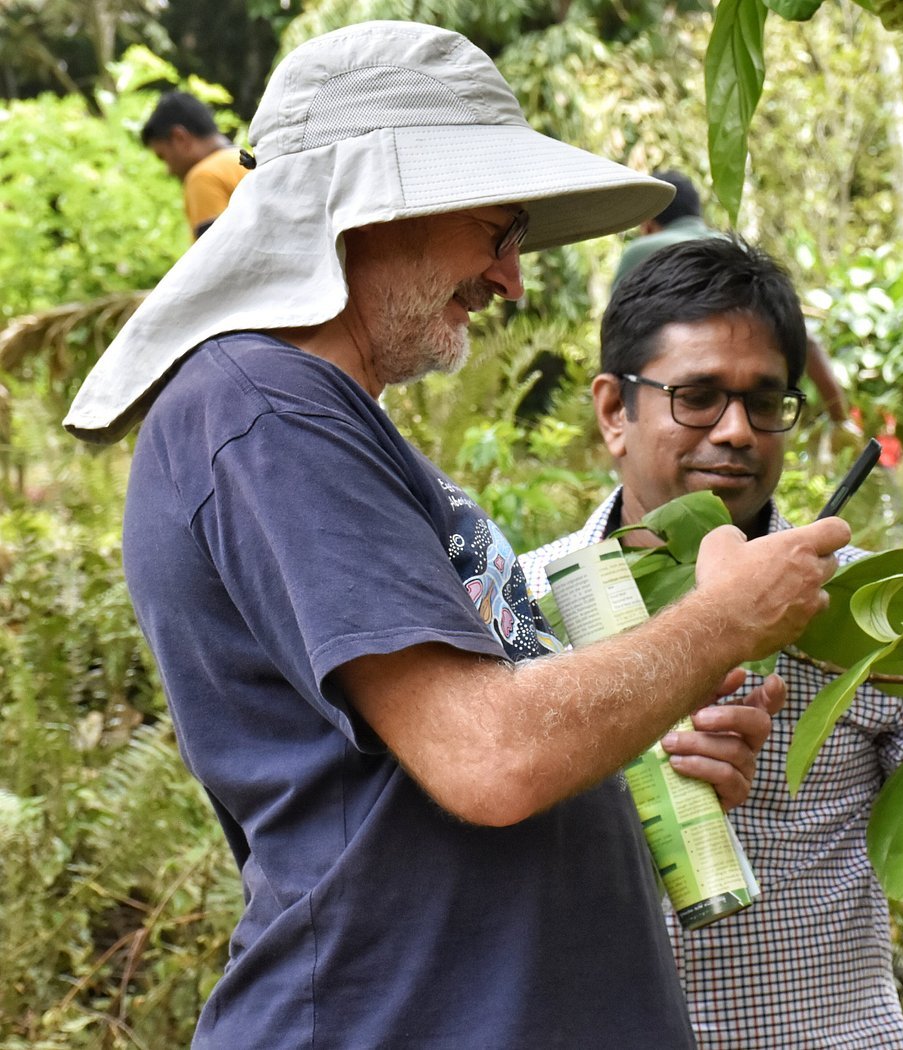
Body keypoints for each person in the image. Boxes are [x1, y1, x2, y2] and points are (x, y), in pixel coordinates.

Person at [65, 23, 853, 1049]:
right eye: (498, 231)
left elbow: (452, 748)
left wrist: (646, 729)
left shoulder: (319, 421)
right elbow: (487, 758)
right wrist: (719, 622)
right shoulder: (261, 410)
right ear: (371, 207)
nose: (512, 282)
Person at [520, 236, 903, 1049]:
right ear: (616, 411)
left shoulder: (873, 606)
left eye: (766, 401)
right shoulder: (521, 606)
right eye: (697, 397)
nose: (736, 432)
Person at [611, 169, 853, 431]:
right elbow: (806, 341)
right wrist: (841, 419)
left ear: (647, 224)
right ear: (697, 213)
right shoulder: (735, 249)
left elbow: (617, 340)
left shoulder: (640, 252)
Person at [141, 91, 248, 239]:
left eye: (163, 157)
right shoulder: (246, 160)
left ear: (180, 138)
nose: (168, 170)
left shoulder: (204, 177)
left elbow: (216, 255)